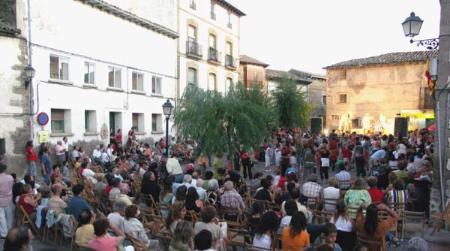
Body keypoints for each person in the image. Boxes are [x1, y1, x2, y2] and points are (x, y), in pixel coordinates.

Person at [0, 163, 14, 238]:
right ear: (4, 169)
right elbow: (11, 187)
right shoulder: (10, 177)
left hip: (0, 200)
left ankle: (4, 233)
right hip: (8, 199)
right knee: (9, 216)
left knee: (1, 217)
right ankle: (10, 231)